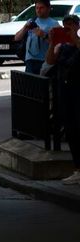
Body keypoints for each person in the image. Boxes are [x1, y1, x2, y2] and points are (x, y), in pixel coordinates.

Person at [46, 15, 80, 184]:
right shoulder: (62, 46)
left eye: (71, 26)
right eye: (65, 27)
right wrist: (53, 42)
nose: (68, 30)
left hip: (77, 93)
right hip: (65, 92)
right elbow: (49, 60)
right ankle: (78, 170)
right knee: (71, 131)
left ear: (77, 26)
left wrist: (76, 39)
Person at [15, 0, 60, 74]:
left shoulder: (54, 24)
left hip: (44, 61)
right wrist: (25, 28)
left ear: (48, 9)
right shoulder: (32, 20)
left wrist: (44, 36)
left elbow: (57, 44)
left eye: (41, 8)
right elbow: (17, 38)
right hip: (30, 60)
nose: (38, 10)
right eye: (37, 8)